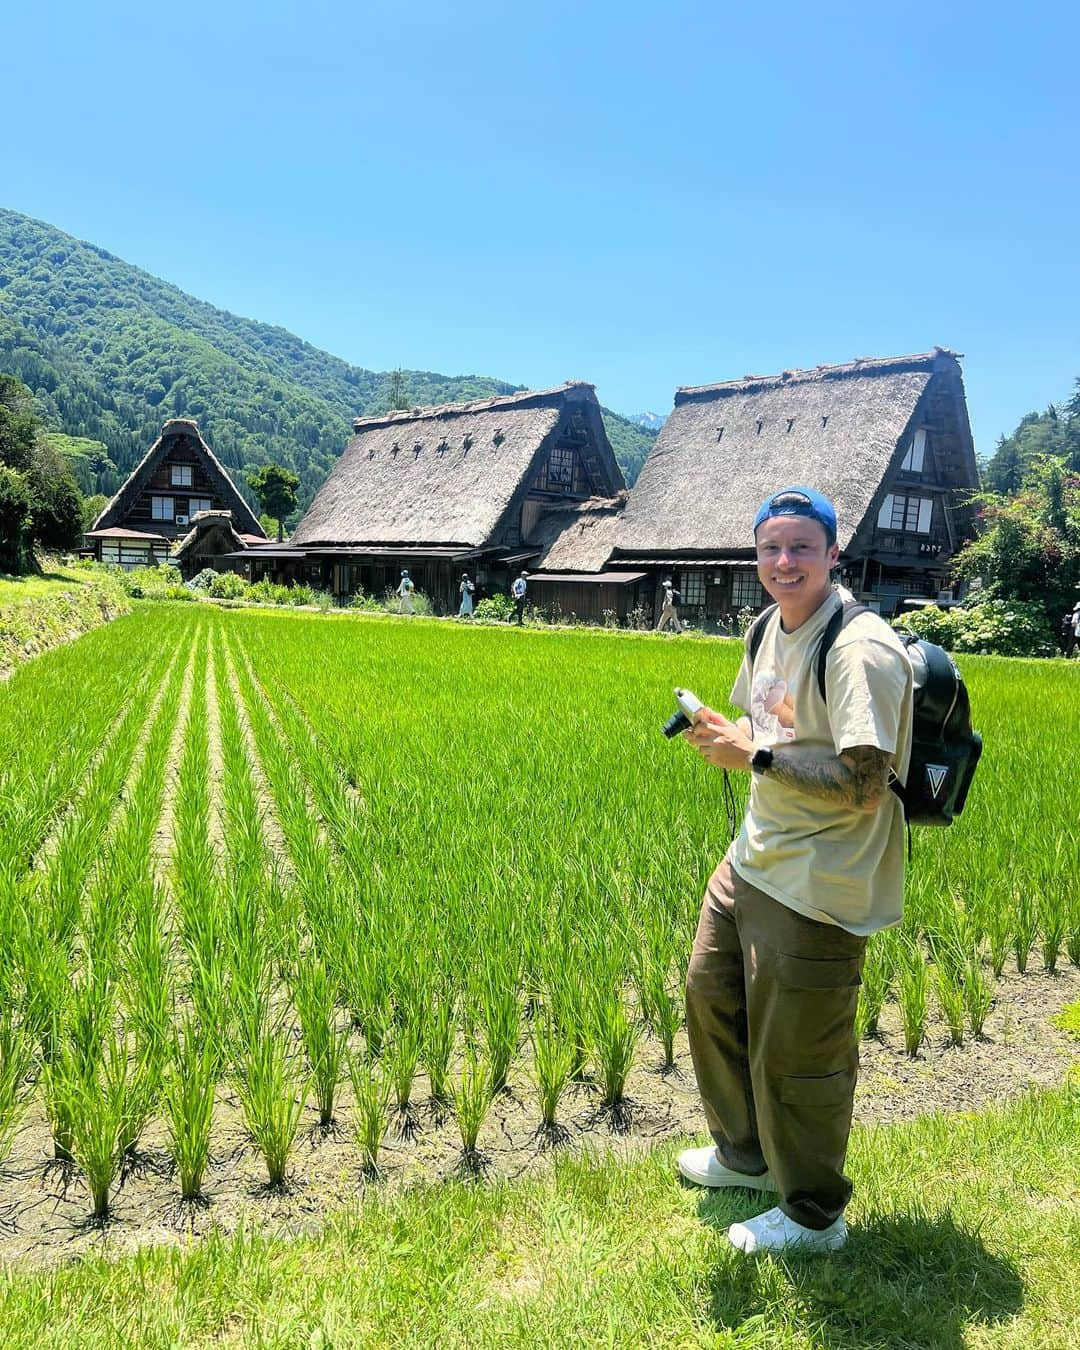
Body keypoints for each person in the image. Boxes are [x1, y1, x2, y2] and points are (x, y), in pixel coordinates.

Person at [678, 485, 913, 1254]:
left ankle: (814, 1214)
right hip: (755, 855)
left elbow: (866, 786)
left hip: (822, 878)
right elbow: (764, 724)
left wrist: (757, 755)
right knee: (710, 996)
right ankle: (746, 1158)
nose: (785, 562)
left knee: (797, 1050)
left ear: (832, 554)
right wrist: (728, 731)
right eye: (771, 547)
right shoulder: (765, 627)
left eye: (801, 547)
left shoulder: (859, 647)